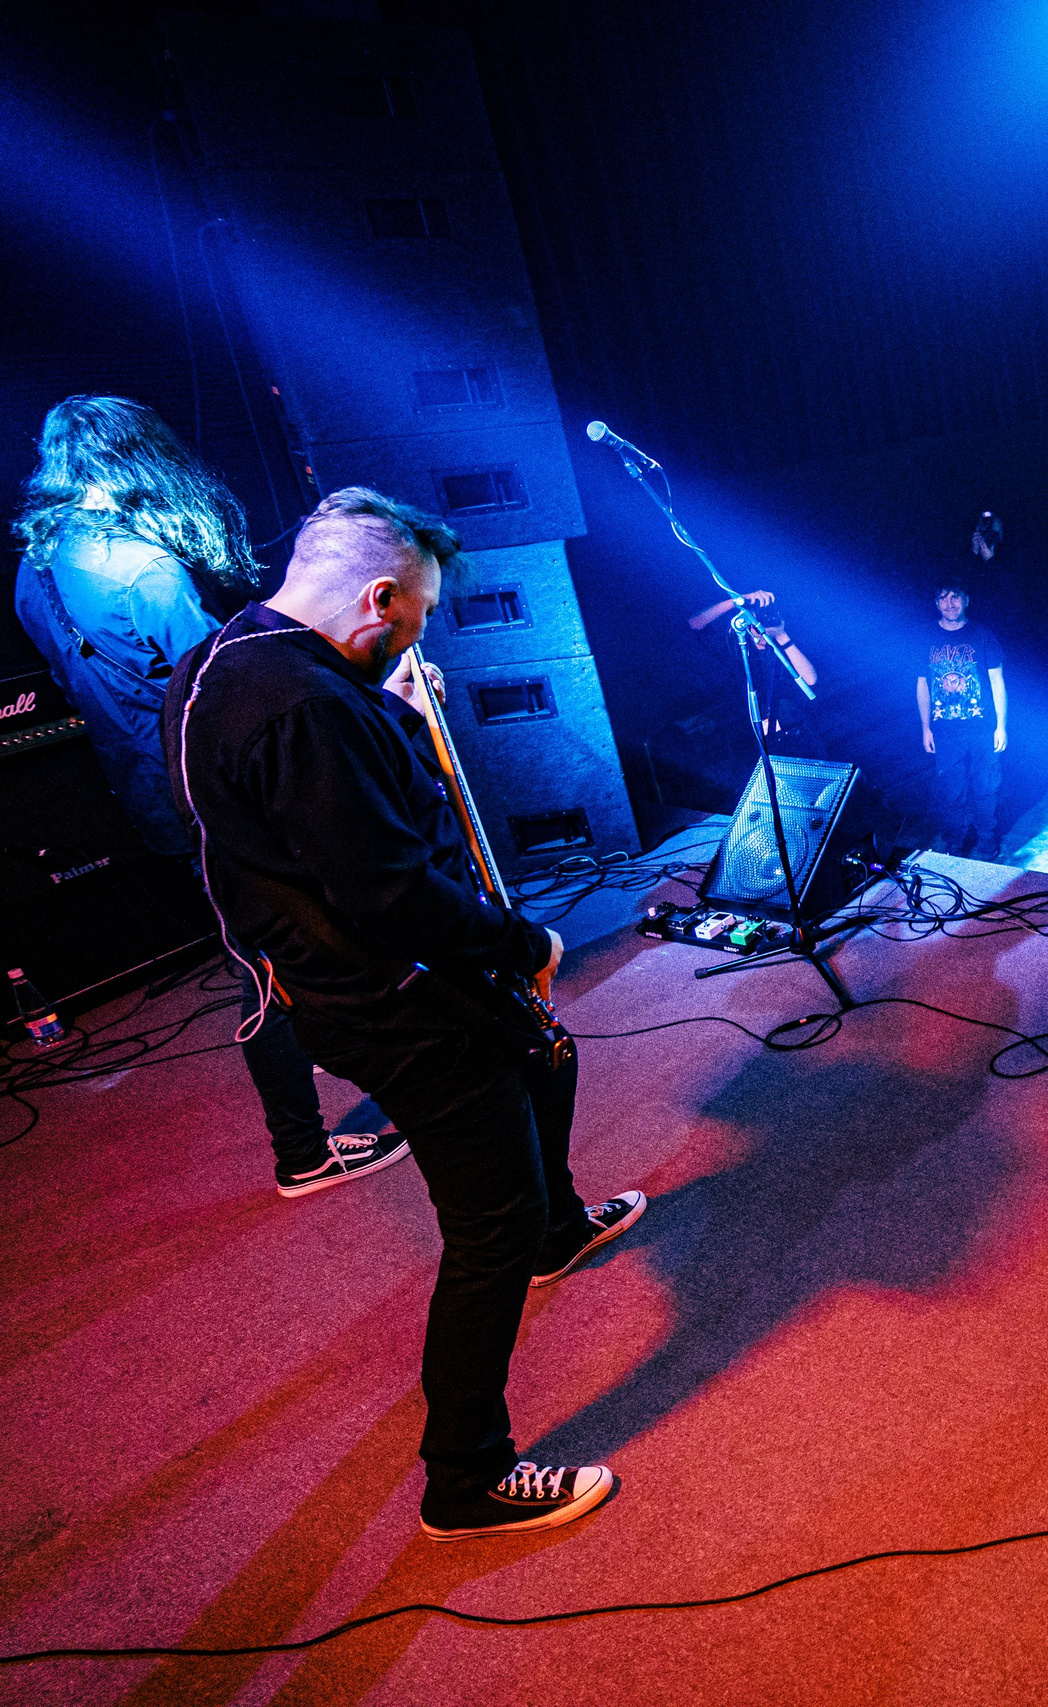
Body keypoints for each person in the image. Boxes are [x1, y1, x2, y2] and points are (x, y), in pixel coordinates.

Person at [165, 487, 643, 1541]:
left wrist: (391, 718)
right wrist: (525, 943)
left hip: (348, 983)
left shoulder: (223, 662)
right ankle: (464, 1477)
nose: (415, 640)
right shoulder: (307, 708)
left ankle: (558, 1230)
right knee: (486, 1230)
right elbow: (390, 890)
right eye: (417, 619)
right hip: (393, 1001)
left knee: (545, 1058)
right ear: (380, 599)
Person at [12, 395, 398, 1197]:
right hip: (213, 791)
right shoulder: (141, 568)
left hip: (146, 787)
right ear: (139, 459)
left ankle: (312, 1135)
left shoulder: (34, 565)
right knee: (283, 960)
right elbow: (225, 685)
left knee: (259, 957)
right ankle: (304, 1148)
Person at [917, 576, 1007, 856]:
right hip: (945, 731)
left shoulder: (982, 636)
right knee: (951, 789)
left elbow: (997, 682)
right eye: (943, 597)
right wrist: (925, 727)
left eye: (955, 596)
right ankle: (954, 840)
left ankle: (987, 837)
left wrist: (1001, 725)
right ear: (935, 603)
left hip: (982, 727)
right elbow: (922, 685)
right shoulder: (927, 638)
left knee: (986, 786)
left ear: (966, 600)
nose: (949, 603)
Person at [687, 588, 817, 745]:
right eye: (758, 618)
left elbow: (810, 680)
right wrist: (740, 600)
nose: (763, 623)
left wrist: (781, 635)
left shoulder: (785, 646)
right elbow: (695, 623)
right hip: (749, 735)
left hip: (794, 733)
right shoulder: (737, 647)